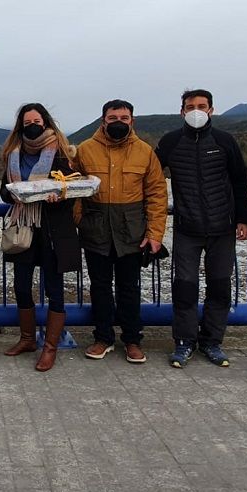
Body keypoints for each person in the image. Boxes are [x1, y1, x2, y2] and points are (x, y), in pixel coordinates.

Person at [155, 89, 247, 369]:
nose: (196, 110)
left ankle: (212, 341)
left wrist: (244, 218)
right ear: (182, 111)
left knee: (219, 286)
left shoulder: (225, 141)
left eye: (201, 106)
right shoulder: (171, 141)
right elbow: (150, 175)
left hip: (223, 227)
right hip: (187, 228)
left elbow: (240, 181)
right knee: (184, 288)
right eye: (190, 106)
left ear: (211, 110)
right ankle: (184, 342)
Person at [75, 99, 167, 363]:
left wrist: (155, 234)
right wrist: (80, 221)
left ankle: (132, 340)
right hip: (96, 230)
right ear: (103, 120)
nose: (118, 122)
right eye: (113, 118)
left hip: (132, 232)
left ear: (132, 121)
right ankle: (102, 338)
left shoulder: (145, 151)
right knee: (99, 287)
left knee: (129, 288)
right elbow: (73, 189)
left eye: (124, 118)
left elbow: (157, 194)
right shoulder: (84, 150)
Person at [0, 103, 81, 373]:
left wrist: (58, 197)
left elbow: (72, 189)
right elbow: (3, 191)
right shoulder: (13, 154)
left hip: (53, 229)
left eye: (36, 121)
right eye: (27, 123)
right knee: (21, 286)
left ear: (45, 122)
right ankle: (27, 339)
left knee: (54, 289)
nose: (32, 126)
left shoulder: (61, 152)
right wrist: (14, 194)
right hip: (24, 227)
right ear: (20, 126)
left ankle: (50, 346)